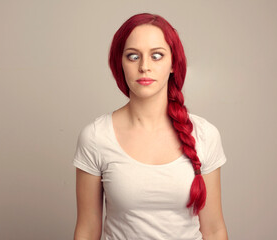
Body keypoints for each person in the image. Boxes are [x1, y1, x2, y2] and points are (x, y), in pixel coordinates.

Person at [72, 13, 228, 240]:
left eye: (157, 56)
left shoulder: (205, 135)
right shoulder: (96, 137)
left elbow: (214, 230)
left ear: (173, 63)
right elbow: (87, 229)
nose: (145, 67)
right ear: (120, 63)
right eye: (133, 56)